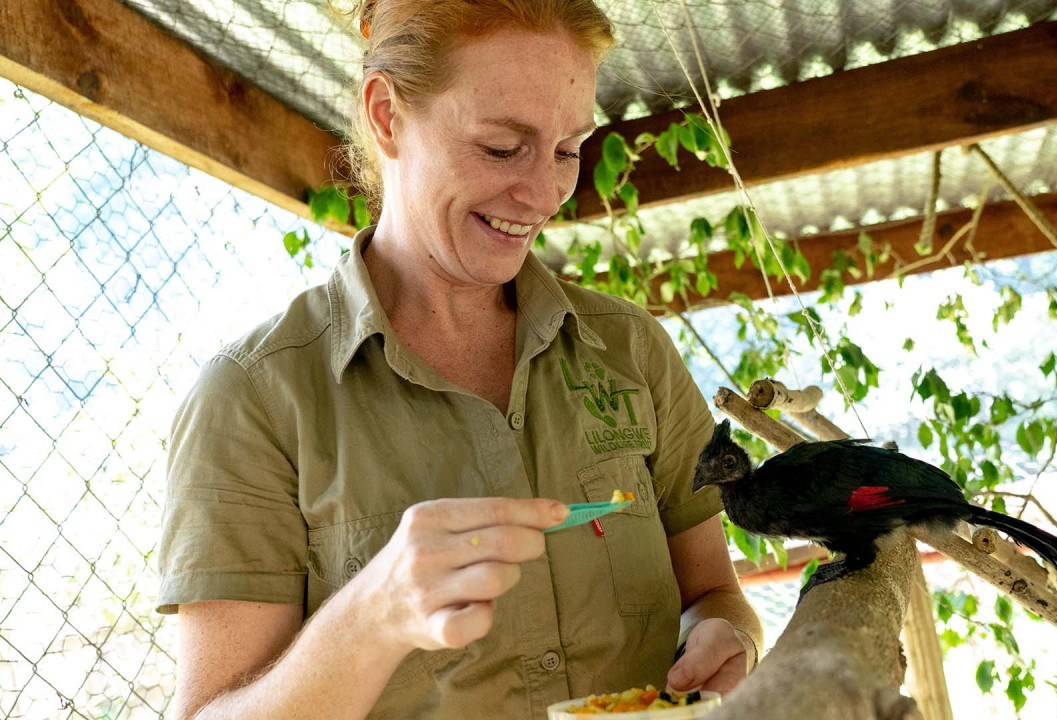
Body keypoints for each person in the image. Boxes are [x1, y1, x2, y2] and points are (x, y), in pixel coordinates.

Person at [154, 0, 764, 718]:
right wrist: (373, 616)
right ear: (386, 116)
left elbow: (715, 595)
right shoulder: (254, 399)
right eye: (502, 147)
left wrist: (729, 638)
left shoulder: (631, 350)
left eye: (568, 149)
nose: (543, 193)